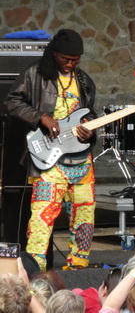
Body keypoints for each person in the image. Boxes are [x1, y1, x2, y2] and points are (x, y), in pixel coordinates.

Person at [5, 29, 97, 271]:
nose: (70, 64)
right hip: (50, 160)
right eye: (66, 59)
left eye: (75, 61)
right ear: (54, 54)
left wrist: (90, 129)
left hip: (81, 161)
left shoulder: (84, 80)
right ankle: (34, 269)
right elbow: (12, 101)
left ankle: (79, 267)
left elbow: (90, 114)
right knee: (41, 218)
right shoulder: (36, 73)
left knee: (85, 216)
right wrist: (41, 117)